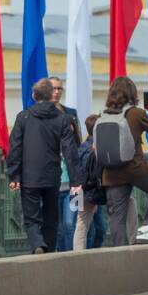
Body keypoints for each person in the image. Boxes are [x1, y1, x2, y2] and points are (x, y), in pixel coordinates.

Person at [6, 78, 81, 255]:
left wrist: (14, 176)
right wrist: (75, 180)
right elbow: (70, 151)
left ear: (34, 95)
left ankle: (37, 244)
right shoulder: (62, 119)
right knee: (51, 216)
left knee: (31, 217)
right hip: (52, 175)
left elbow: (15, 148)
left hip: (29, 176)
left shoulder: (23, 117)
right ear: (51, 96)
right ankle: (49, 250)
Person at [99, 76, 148, 245]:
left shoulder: (103, 115)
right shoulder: (136, 113)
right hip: (135, 168)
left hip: (111, 173)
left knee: (117, 217)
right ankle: (147, 227)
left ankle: (119, 256)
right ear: (132, 93)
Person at [49, 77, 83, 251]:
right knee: (59, 226)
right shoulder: (41, 114)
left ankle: (71, 257)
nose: (56, 92)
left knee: (72, 223)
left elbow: (79, 142)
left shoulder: (71, 112)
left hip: (75, 184)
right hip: (52, 183)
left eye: (59, 88)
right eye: (53, 88)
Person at [72, 113, 109, 250]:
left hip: (81, 190)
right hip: (97, 190)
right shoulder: (99, 147)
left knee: (81, 223)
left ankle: (78, 254)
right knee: (101, 226)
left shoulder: (81, 147)